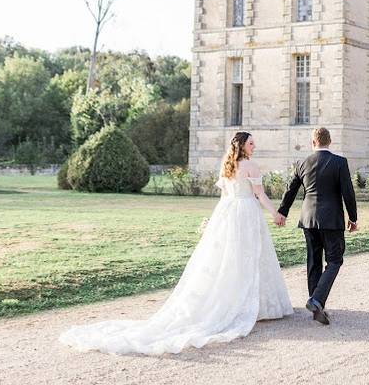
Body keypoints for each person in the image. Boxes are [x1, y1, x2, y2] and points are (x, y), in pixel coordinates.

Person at [59, 132, 293, 355]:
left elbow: (224, 198)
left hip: (228, 213)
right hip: (245, 212)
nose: (254, 147)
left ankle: (248, 301)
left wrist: (215, 221)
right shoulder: (250, 165)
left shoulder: (227, 164)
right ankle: (254, 305)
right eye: (251, 143)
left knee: (231, 257)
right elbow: (259, 194)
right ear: (242, 145)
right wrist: (275, 214)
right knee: (249, 255)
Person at [275, 126, 357, 325]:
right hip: (331, 220)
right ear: (330, 142)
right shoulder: (340, 162)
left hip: (308, 219)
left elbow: (290, 190)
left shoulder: (302, 163)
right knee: (335, 260)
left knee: (314, 261)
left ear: (313, 143)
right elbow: (348, 192)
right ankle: (317, 300)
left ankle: (316, 307)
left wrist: (282, 212)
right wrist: (353, 218)